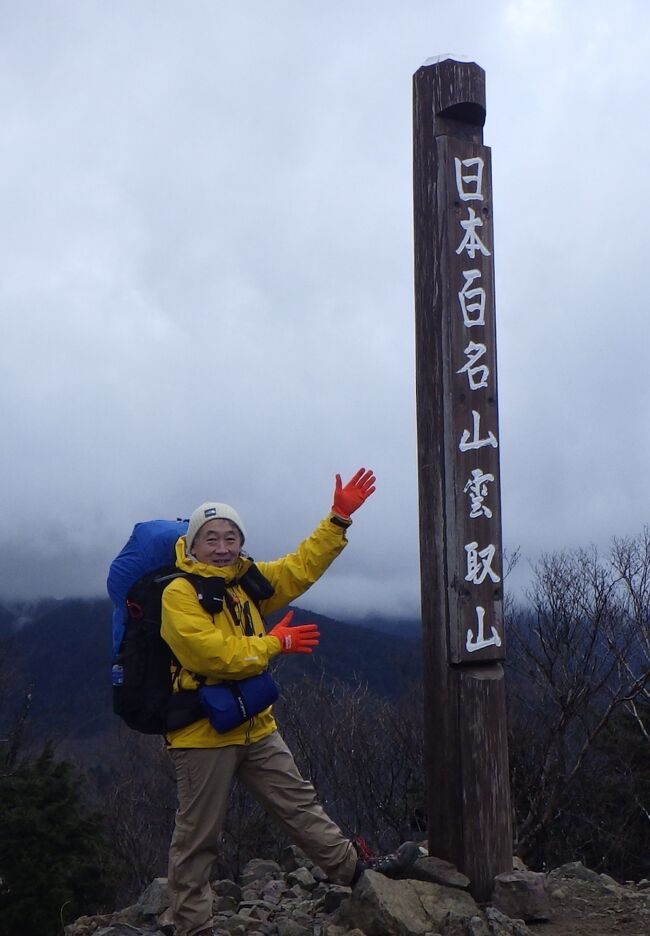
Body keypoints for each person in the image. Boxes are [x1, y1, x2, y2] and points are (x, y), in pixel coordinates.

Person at [160, 468, 419, 936]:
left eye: (230, 537)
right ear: (192, 545)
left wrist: (338, 518)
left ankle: (357, 874)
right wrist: (273, 644)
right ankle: (191, 925)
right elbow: (212, 654)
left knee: (301, 804)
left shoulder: (246, 583)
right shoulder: (179, 593)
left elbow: (301, 566)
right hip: (201, 731)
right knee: (199, 835)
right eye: (211, 538)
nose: (222, 547)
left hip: (253, 722)